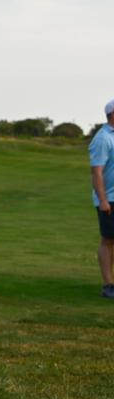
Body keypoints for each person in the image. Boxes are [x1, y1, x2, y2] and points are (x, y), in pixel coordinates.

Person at [90, 99, 114, 299]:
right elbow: (96, 172)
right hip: (110, 198)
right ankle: (108, 285)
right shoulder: (103, 138)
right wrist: (103, 200)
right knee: (108, 240)